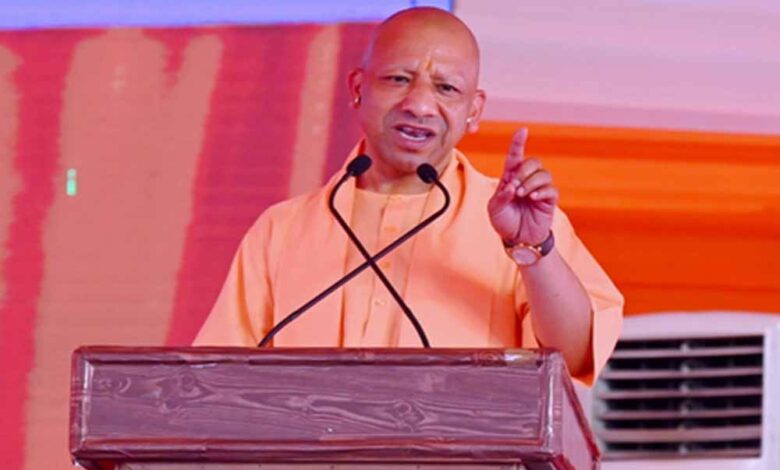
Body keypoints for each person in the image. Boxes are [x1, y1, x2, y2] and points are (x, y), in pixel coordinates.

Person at [193, 7, 623, 384]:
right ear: (357, 88)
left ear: (474, 110)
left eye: (446, 88)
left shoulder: (522, 226)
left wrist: (533, 250)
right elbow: (212, 382)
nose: (419, 105)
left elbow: (575, 358)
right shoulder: (282, 230)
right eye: (399, 79)